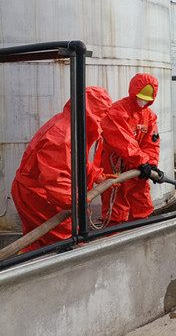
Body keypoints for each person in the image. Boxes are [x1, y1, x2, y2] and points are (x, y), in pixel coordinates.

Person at [11, 87, 113, 252]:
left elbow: (74, 161)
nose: (103, 120)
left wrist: (96, 175)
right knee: (66, 240)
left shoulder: (73, 126)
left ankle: (30, 264)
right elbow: (55, 178)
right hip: (39, 196)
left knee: (39, 241)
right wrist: (77, 202)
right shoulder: (62, 134)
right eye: (102, 114)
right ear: (91, 113)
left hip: (35, 191)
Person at [100, 74, 162, 224]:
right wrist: (142, 161)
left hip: (138, 168)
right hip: (115, 167)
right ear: (133, 92)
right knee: (115, 207)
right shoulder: (117, 111)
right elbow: (122, 141)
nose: (143, 102)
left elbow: (151, 143)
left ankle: (141, 233)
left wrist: (151, 165)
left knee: (142, 204)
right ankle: (114, 235)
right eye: (141, 97)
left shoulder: (150, 116)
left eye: (147, 99)